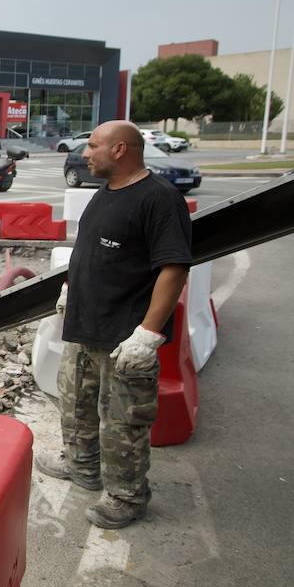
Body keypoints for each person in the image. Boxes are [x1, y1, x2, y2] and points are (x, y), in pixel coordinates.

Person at [36, 120, 192, 529]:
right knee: (75, 405)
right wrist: (71, 287)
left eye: (93, 146)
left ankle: (126, 496)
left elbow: (173, 268)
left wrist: (148, 335)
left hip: (124, 336)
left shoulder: (158, 199)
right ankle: (82, 466)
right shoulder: (105, 194)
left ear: (120, 150)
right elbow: (92, 250)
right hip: (85, 326)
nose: (86, 154)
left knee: (123, 421)